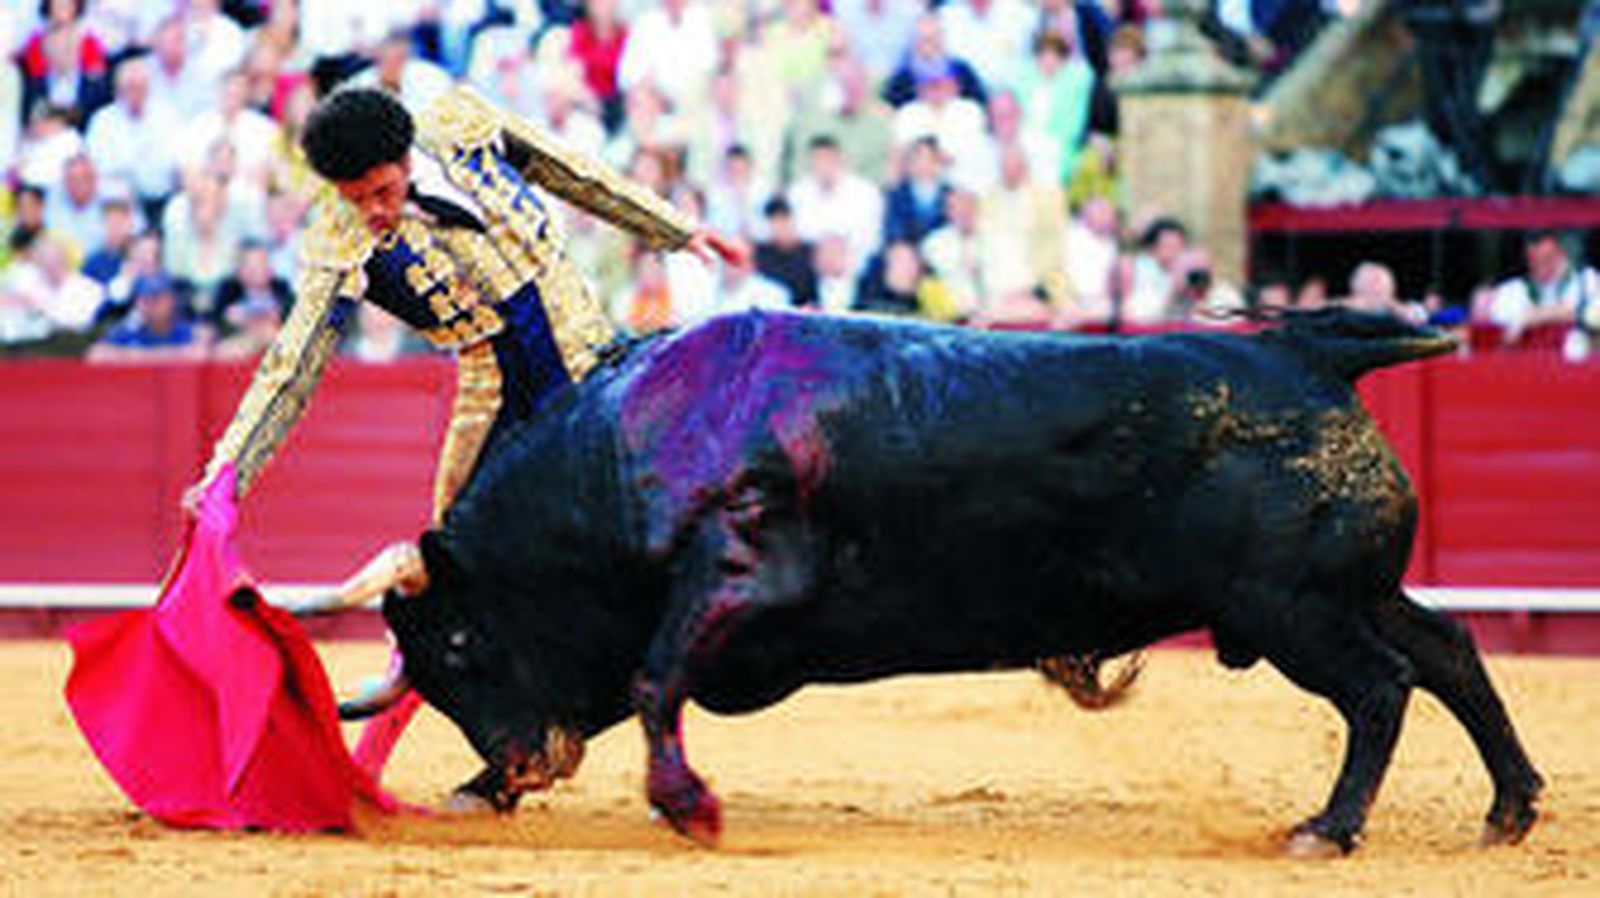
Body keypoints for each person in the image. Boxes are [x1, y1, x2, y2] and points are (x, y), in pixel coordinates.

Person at [185, 86, 740, 749]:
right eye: (356, 199)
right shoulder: (337, 242)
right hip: (499, 403)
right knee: (443, 589)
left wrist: (673, 229)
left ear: (406, 155)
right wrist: (227, 473)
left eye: (382, 191)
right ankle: (379, 754)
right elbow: (291, 367)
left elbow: (571, 171)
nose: (374, 212)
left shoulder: (462, 125)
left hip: (597, 361)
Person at [1485, 229, 1600, 355]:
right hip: (1529, 361)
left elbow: (1587, 313)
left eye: (1547, 258)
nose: (1539, 263)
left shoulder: (1586, 279)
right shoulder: (1513, 289)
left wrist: (1530, 316)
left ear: (1561, 254)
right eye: (1533, 258)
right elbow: (1500, 323)